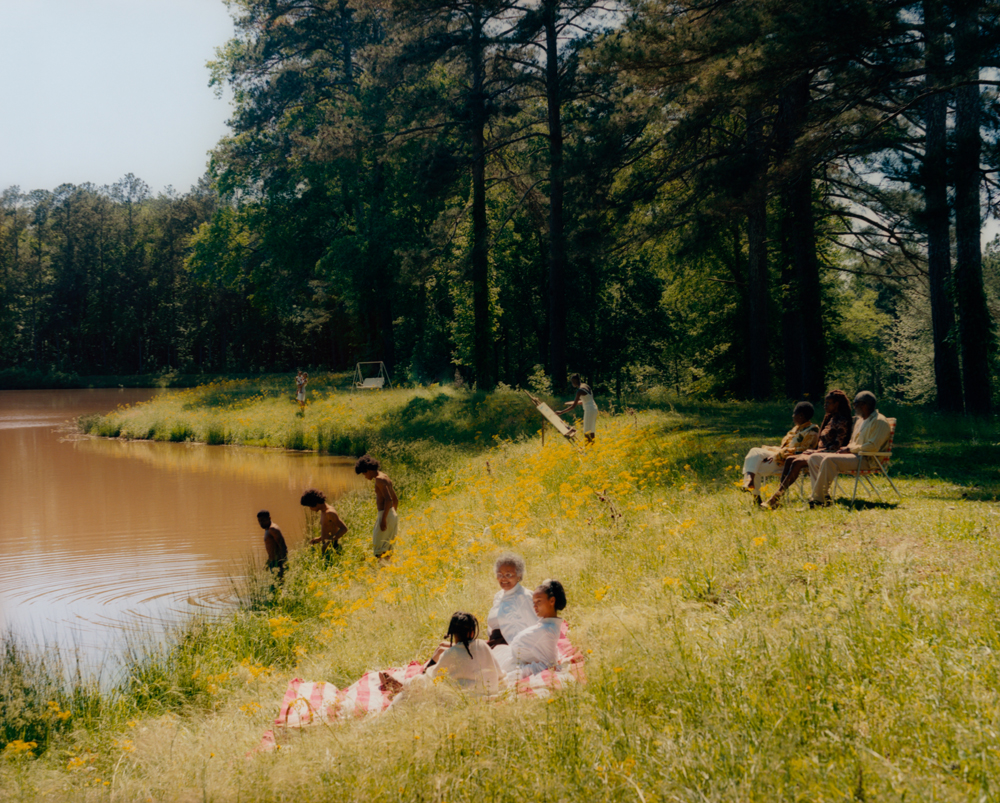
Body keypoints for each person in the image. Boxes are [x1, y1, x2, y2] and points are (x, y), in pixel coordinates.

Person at [761, 390, 852, 510]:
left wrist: (816, 452)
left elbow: (836, 446)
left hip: (832, 455)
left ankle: (775, 497)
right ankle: (779, 496)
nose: (825, 405)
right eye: (825, 403)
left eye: (828, 403)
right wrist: (814, 451)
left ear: (837, 404)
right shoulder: (830, 419)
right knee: (789, 459)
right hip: (819, 453)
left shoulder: (842, 420)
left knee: (797, 462)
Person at [381, 612, 503, 701]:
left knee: (421, 685)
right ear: (472, 632)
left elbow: (431, 680)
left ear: (453, 634)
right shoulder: (483, 645)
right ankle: (403, 686)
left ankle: (402, 687)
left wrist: (411, 683)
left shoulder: (451, 654)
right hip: (489, 694)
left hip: (466, 700)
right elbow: (499, 674)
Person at [805, 390, 892, 508]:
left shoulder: (879, 421)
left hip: (868, 459)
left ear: (863, 404)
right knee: (814, 458)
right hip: (855, 456)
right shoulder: (860, 420)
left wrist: (851, 449)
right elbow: (852, 442)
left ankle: (817, 500)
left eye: (855, 403)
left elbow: (873, 446)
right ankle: (824, 496)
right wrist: (847, 448)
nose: (854, 406)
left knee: (829, 460)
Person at [740, 401, 819, 506]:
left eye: (794, 413)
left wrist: (779, 455)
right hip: (779, 457)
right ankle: (750, 481)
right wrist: (777, 454)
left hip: (790, 463)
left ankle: (755, 497)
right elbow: (784, 446)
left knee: (754, 467)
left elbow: (803, 450)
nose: (792, 416)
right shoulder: (796, 429)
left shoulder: (812, 430)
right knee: (754, 451)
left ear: (801, 415)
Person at [492, 579, 566, 680]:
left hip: (513, 666)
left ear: (552, 601)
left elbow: (548, 665)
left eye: (539, 602)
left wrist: (511, 675)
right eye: (533, 602)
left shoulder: (548, 631)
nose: (534, 607)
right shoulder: (545, 624)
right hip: (508, 657)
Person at [486, 553, 538, 648]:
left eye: (508, 575)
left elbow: (535, 627)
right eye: (499, 574)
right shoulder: (498, 596)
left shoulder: (525, 596)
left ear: (519, 575)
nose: (503, 578)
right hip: (494, 644)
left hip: (513, 648)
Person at [355, 454, 398, 560]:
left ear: (368, 469)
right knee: (387, 548)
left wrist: (384, 519)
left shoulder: (379, 479)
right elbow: (396, 499)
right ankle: (387, 572)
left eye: (364, 473)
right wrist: (392, 516)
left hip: (385, 515)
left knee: (380, 550)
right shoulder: (385, 476)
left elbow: (389, 499)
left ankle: (381, 573)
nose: (365, 476)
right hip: (391, 514)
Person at [299, 488, 348, 556]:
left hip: (332, 547)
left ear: (315, 503)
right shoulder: (323, 511)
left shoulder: (330, 512)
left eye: (310, 506)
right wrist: (319, 539)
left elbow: (344, 529)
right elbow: (330, 529)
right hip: (327, 546)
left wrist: (328, 542)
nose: (310, 509)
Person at [555, 374, 598, 444]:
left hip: (589, 410)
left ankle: (588, 449)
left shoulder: (579, 391)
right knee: (591, 430)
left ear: (575, 381)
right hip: (594, 408)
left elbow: (573, 406)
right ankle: (592, 446)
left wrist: (561, 412)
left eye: (572, 381)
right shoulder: (586, 385)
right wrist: (572, 402)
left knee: (586, 431)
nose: (572, 383)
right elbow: (587, 400)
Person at [256, 510, 288, 581]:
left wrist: (283, 566)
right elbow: (273, 549)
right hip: (273, 562)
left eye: (263, 520)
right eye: (259, 521)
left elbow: (283, 547)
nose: (261, 523)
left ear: (269, 518)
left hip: (278, 563)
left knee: (278, 586)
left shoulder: (273, 529)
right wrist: (268, 563)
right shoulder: (268, 529)